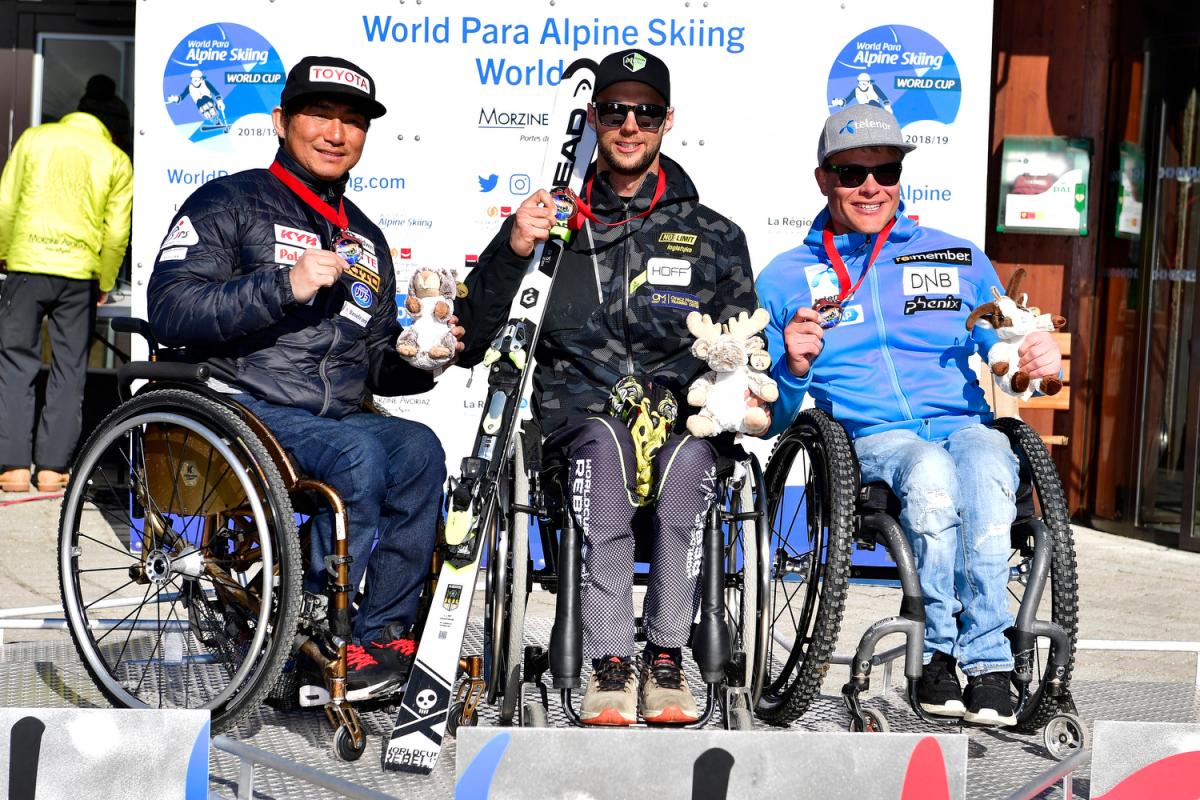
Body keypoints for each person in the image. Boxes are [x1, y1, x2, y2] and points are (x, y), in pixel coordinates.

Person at [147, 56, 522, 700]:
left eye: (352, 121)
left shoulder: (366, 238)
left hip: (336, 411)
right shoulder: (228, 201)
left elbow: (376, 362)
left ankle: (380, 638)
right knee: (356, 456)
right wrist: (281, 285)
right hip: (243, 399)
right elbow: (171, 305)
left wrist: (418, 358)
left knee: (419, 450)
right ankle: (315, 623)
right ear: (281, 121)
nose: (335, 132)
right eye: (320, 115)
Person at [473, 49, 757, 725]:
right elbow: (479, 326)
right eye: (615, 110)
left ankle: (664, 658)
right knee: (602, 451)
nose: (631, 125)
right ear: (594, 118)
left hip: (681, 420)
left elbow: (747, 344)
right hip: (578, 417)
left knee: (691, 465)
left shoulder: (714, 234)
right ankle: (610, 663)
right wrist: (512, 247)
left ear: (668, 120)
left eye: (647, 111)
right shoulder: (552, 225)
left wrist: (744, 366)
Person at [757, 104, 1063, 726]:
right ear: (823, 178)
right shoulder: (786, 276)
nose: (870, 186)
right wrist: (789, 366)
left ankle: (988, 662)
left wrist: (1036, 360)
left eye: (885, 169)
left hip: (963, 426)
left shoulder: (958, 257)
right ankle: (940, 658)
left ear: (901, 175)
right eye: (850, 173)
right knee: (928, 471)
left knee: (983, 467)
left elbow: (1006, 362)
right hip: (872, 439)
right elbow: (777, 415)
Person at [0, 98, 133, 494]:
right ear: (107, 130)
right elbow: (115, 232)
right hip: (78, 274)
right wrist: (105, 281)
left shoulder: (33, 139)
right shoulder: (115, 158)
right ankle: (52, 469)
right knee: (69, 367)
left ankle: (12, 470)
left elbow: (6, 202)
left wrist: (5, 251)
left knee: (14, 363)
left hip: (27, 265)